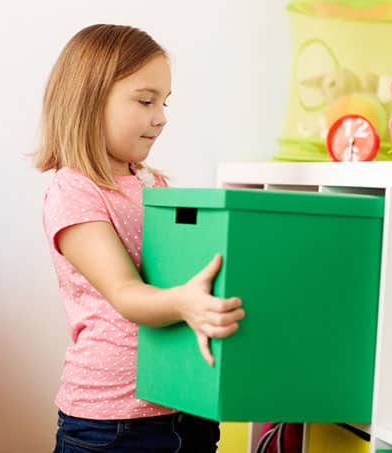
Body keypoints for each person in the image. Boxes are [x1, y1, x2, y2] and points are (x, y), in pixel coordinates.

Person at [34, 23, 245, 452]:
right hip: (112, 422)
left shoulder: (153, 186)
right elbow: (126, 292)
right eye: (146, 100)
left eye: (164, 103)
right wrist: (187, 303)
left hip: (185, 406)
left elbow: (185, 273)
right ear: (89, 102)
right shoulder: (76, 190)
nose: (161, 116)